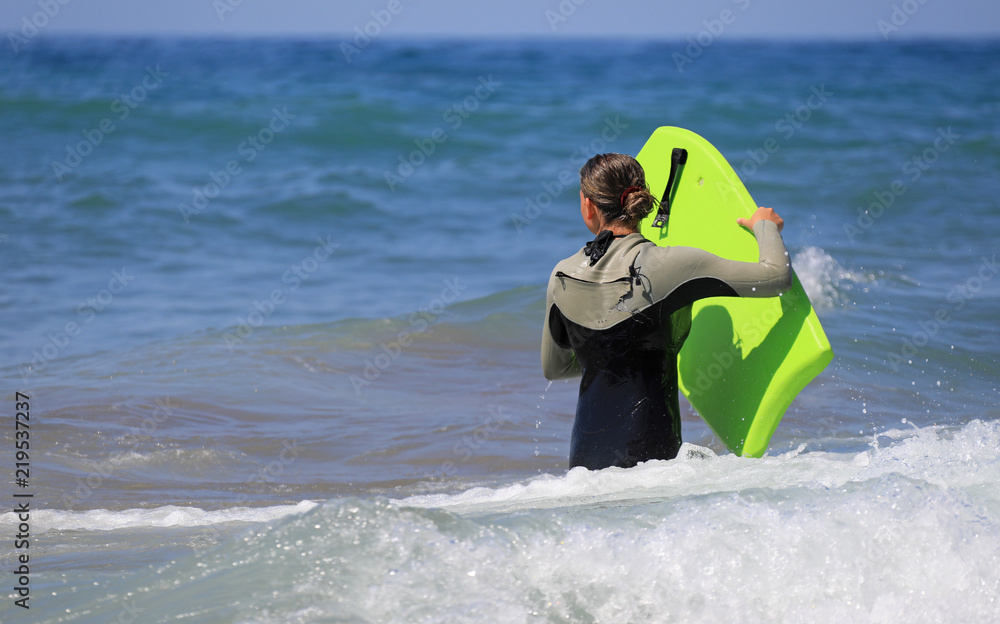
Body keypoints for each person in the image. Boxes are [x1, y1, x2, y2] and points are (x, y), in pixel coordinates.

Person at [541, 152, 791, 470]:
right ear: (639, 199)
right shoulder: (671, 265)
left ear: (588, 206)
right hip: (651, 461)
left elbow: (555, 368)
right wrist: (766, 226)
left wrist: (604, 350)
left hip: (584, 467)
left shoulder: (562, 275)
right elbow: (775, 277)